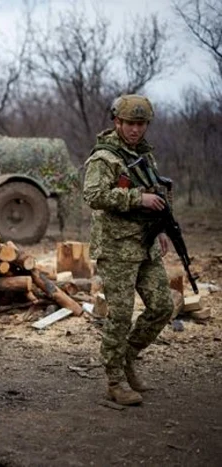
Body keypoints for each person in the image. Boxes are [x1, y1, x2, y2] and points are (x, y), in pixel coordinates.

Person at [83, 94, 174, 405]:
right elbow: (93, 195)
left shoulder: (144, 155)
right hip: (117, 247)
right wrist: (137, 199)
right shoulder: (104, 158)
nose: (136, 130)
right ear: (116, 122)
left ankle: (127, 357)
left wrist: (161, 227)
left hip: (145, 243)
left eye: (141, 124)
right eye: (130, 124)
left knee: (162, 306)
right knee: (120, 316)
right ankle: (115, 380)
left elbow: (156, 192)